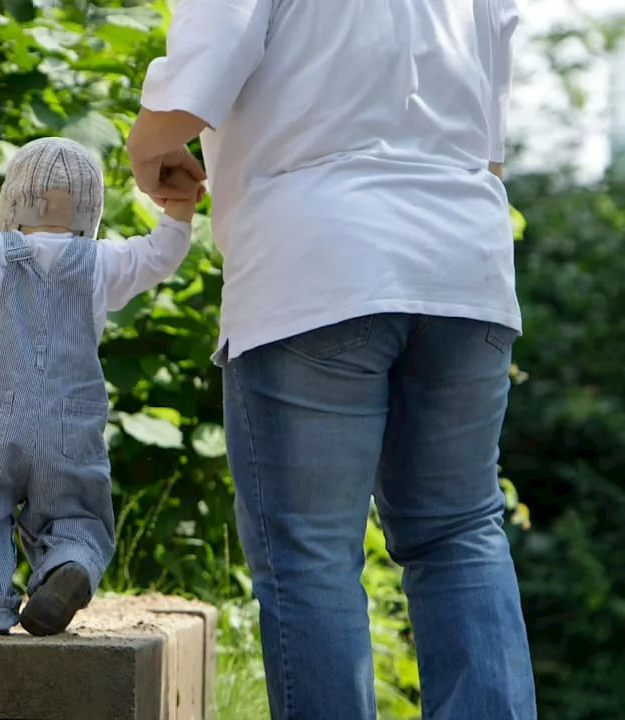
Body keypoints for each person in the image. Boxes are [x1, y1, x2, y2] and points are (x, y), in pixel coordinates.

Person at [125, 1, 536, 718]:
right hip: (464, 263)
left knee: (311, 560)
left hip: (315, 261)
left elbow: (191, 90)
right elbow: (492, 147)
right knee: (459, 535)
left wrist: (147, 149)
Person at [0, 136, 201, 635]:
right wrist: (180, 204)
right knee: (75, 509)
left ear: (10, 202)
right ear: (93, 210)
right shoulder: (104, 262)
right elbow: (162, 253)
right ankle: (71, 564)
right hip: (71, 422)